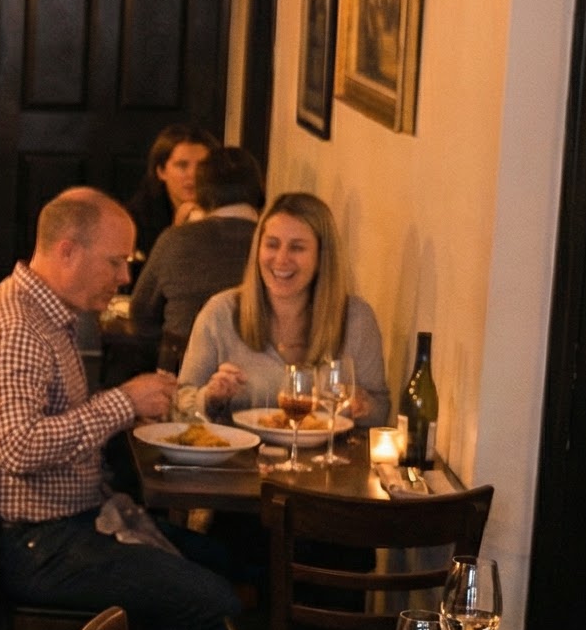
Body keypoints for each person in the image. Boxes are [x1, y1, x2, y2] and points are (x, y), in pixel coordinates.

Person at [0, 188, 242, 630]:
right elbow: (18, 447)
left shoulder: (46, 315)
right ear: (66, 250)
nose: (125, 277)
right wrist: (122, 404)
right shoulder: (15, 327)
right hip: (31, 542)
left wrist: (128, 403)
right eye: (117, 261)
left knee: (231, 565)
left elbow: (44, 425)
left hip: (69, 519)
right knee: (211, 602)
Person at [178, 190, 389, 422]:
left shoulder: (355, 319)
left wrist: (365, 405)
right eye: (272, 244)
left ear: (322, 257)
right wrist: (210, 398)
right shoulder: (221, 312)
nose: (281, 259)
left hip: (321, 456)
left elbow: (380, 411)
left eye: (297, 248)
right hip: (239, 455)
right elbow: (180, 407)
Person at [128, 145, 265, 368]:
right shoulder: (272, 243)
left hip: (181, 362)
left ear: (202, 192)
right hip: (254, 365)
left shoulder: (176, 239)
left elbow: (141, 312)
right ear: (259, 188)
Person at [123, 124, 217, 255]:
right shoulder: (136, 220)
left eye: (203, 166)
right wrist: (175, 234)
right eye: (182, 165)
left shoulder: (225, 213)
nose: (193, 174)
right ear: (161, 171)